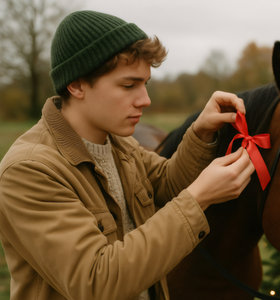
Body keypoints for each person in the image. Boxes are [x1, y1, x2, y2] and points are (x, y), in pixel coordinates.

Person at [0, 10, 255, 300]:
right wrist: (199, 197)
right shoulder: (29, 170)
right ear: (76, 84)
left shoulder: (120, 144)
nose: (145, 99)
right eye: (128, 85)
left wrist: (199, 132)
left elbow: (168, 184)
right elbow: (96, 282)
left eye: (144, 84)